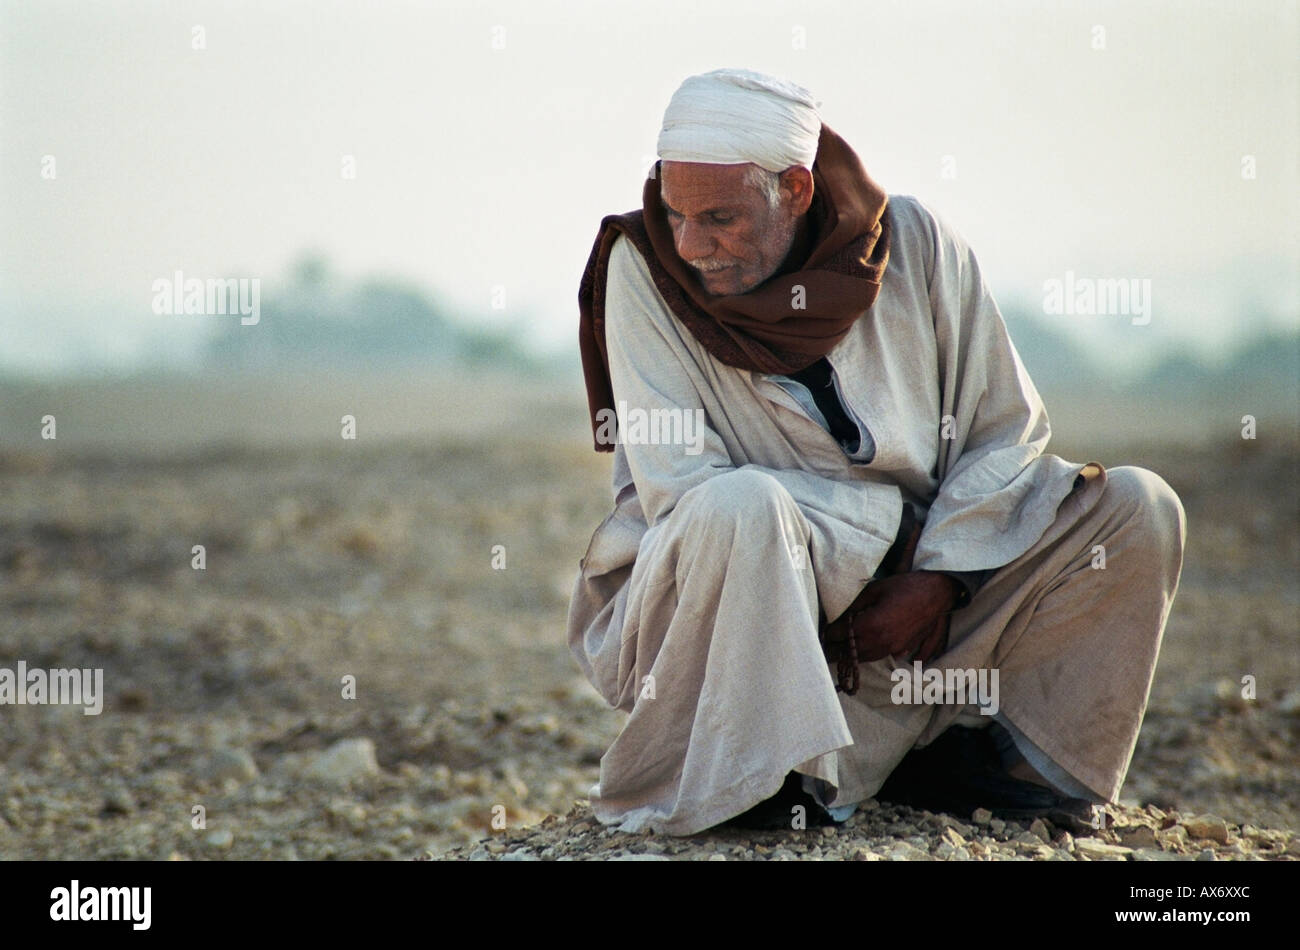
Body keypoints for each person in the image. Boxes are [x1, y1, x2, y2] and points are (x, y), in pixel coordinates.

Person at [568, 68, 1186, 836]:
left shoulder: (917, 245)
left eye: (720, 219)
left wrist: (942, 578)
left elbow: (1001, 429)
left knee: (1137, 508)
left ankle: (1002, 770)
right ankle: (760, 776)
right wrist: (877, 547)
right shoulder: (646, 270)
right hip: (749, 604)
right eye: (675, 213)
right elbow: (679, 485)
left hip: (929, 603)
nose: (693, 246)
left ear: (794, 190)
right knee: (737, 507)